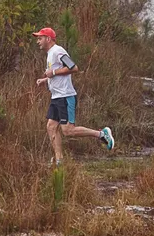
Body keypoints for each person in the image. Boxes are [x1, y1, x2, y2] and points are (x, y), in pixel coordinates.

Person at [33, 27, 114, 166]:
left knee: (68, 131)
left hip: (66, 97)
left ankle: (102, 134)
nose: (38, 41)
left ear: (48, 38)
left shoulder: (58, 51)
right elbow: (55, 74)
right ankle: (59, 161)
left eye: (40, 38)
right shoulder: (50, 54)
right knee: (51, 127)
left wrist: (53, 72)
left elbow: (73, 67)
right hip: (56, 97)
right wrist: (45, 79)